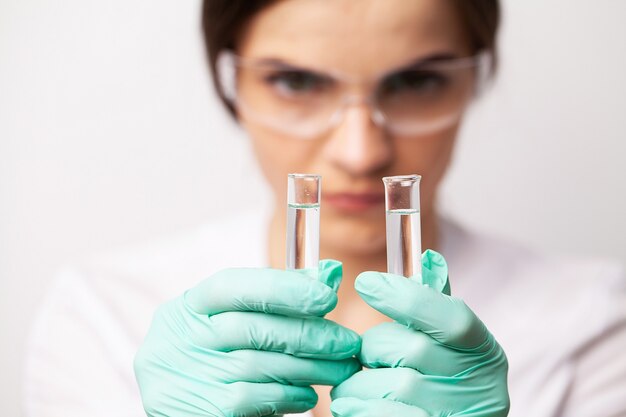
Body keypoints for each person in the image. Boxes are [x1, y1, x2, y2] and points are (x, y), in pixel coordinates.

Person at [23, 1, 626, 416]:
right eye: (297, 82)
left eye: (416, 82)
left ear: (476, 77)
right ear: (228, 81)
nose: (361, 152)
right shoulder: (101, 316)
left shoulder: (597, 322)